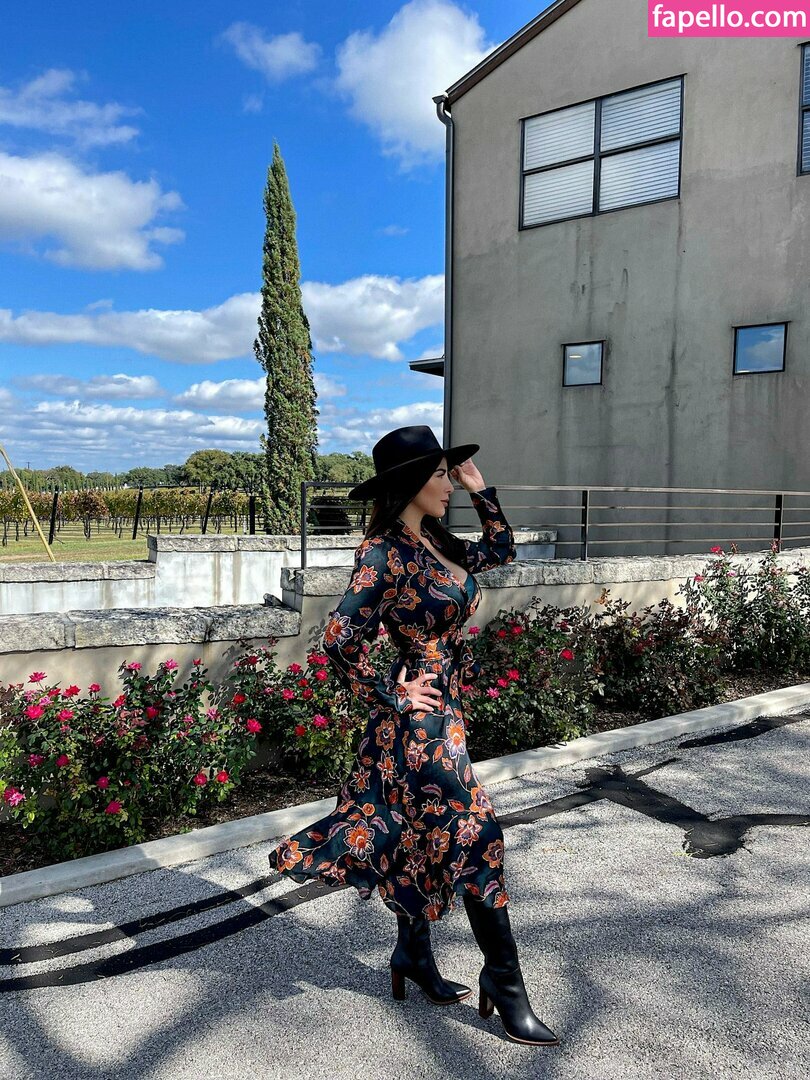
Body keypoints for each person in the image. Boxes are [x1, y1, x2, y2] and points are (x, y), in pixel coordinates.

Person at [267, 426, 558, 1047]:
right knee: (478, 834)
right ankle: (506, 984)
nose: (449, 483)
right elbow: (338, 641)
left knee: (417, 835)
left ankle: (413, 956)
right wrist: (393, 693)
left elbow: (501, 550)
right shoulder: (382, 554)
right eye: (442, 475)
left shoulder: (435, 539)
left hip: (446, 711)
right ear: (410, 483)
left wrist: (481, 491)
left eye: (450, 474)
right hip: (419, 723)